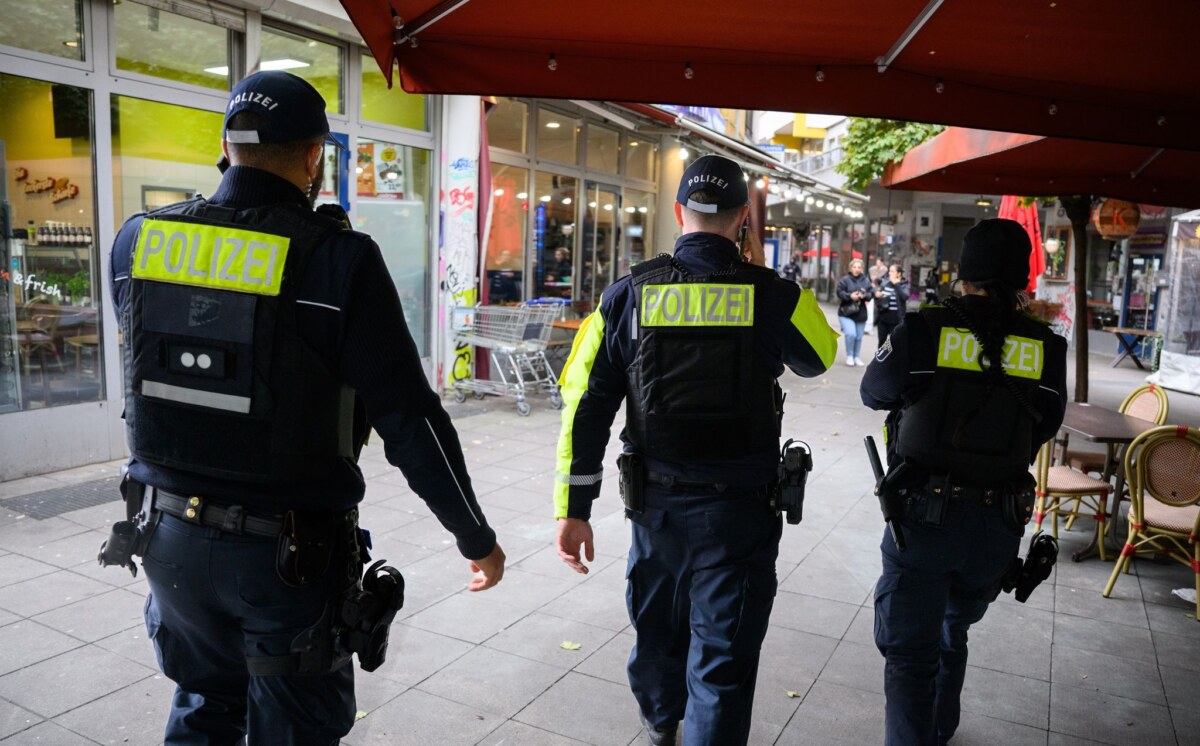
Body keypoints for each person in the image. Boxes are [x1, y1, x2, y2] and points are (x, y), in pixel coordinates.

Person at [107, 71, 506, 745]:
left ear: (226, 148)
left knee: (205, 706)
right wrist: (475, 538)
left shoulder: (137, 241)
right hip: (283, 560)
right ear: (316, 155)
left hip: (166, 539)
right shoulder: (337, 261)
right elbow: (409, 420)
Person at [552, 154, 838, 746]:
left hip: (656, 508)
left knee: (657, 633)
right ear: (741, 219)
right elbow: (821, 356)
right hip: (739, 512)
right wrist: (770, 284)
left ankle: (661, 724)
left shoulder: (625, 295)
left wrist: (575, 507)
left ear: (679, 211)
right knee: (723, 659)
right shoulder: (772, 294)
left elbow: (584, 405)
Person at [859, 219, 1067, 746]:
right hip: (995, 531)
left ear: (962, 274)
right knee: (954, 629)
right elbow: (1044, 424)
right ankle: (940, 729)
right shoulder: (1047, 346)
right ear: (1022, 279)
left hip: (922, 525)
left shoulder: (926, 329)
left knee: (909, 657)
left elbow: (874, 393)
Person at [836, 258, 872, 366]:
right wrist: (850, 296)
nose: (856, 269)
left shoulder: (865, 280)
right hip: (846, 312)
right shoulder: (845, 280)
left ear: (862, 269)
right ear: (851, 268)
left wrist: (865, 295)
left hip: (860, 313)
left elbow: (871, 294)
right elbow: (839, 292)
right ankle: (850, 355)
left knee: (859, 337)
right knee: (851, 334)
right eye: (854, 267)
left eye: (859, 267)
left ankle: (856, 356)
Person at [873, 263, 911, 345]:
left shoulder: (903, 284)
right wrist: (877, 295)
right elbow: (878, 297)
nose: (890, 273)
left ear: (899, 273)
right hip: (883, 319)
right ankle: (881, 358)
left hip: (896, 320)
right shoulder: (885, 283)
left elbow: (905, 296)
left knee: (894, 343)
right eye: (889, 271)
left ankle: (892, 358)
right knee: (882, 342)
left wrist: (897, 284)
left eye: (892, 271)